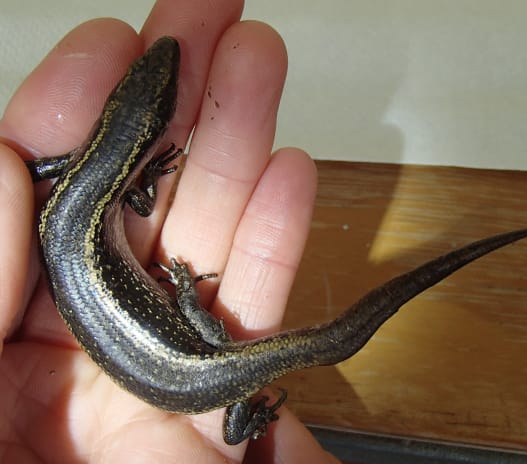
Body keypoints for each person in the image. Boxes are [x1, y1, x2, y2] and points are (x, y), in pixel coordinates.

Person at [0, 1, 339, 462]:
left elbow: (46, 174)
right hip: (163, 367)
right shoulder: (86, 179)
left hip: (167, 365)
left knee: (233, 367)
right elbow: (131, 200)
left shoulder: (74, 176)